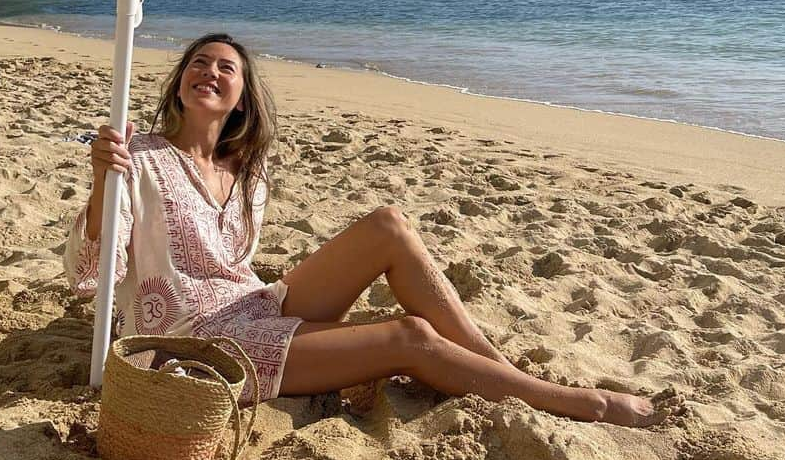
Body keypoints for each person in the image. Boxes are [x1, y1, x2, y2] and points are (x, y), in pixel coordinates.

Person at [68, 33, 663, 426]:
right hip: (196, 339)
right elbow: (92, 272)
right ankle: (573, 403)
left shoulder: (247, 174)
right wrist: (102, 182)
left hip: (250, 305)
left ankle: (502, 372)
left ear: (242, 99)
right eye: (198, 63)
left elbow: (235, 263)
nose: (209, 71)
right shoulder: (135, 156)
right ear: (179, 82)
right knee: (408, 336)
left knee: (389, 225)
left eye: (226, 67)